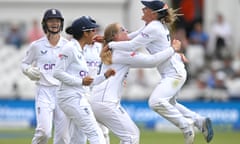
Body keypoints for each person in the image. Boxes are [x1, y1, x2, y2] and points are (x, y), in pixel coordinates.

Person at [104, 1, 214, 144]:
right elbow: (131, 37)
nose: (143, 9)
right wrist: (107, 39)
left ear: (154, 13)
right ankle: (199, 120)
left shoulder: (154, 27)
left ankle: (185, 125)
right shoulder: (151, 26)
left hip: (174, 74)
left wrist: (110, 45)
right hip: (173, 71)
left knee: (155, 102)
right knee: (170, 103)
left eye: (146, 8)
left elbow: (132, 45)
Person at [89, 22, 182, 144]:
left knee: (126, 136)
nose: (126, 30)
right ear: (115, 36)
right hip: (105, 103)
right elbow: (152, 61)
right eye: (122, 30)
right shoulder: (121, 53)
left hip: (101, 101)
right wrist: (172, 49)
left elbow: (135, 37)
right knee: (131, 136)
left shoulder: (114, 50)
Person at [53, 16, 115, 144]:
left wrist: (105, 76)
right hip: (70, 97)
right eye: (93, 31)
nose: (95, 34)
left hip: (78, 95)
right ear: (85, 33)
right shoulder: (70, 48)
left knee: (79, 138)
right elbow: (57, 72)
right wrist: (80, 81)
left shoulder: (81, 50)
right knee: (95, 133)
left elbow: (88, 81)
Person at [21, 8, 69, 144]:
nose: (54, 24)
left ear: (61, 23)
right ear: (45, 24)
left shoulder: (68, 45)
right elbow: (24, 64)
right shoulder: (36, 46)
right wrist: (28, 71)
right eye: (51, 21)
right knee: (44, 131)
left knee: (63, 137)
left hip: (63, 93)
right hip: (44, 91)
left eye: (57, 21)